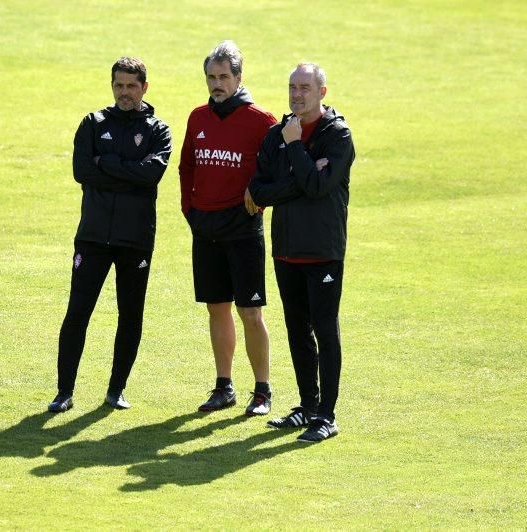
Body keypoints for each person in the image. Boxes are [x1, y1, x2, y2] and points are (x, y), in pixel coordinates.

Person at [48, 57, 172, 413]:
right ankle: (64, 392)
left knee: (130, 314)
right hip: (93, 235)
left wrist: (106, 164)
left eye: (132, 86)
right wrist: (126, 171)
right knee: (78, 311)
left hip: (135, 239)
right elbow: (81, 170)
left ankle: (115, 391)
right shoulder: (92, 123)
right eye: (119, 85)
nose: (124, 92)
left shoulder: (158, 130)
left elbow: (150, 175)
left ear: (144, 87)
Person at [246, 62, 355, 442]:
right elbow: (259, 191)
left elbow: (318, 188)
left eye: (305, 87)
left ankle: (327, 414)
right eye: (292, 87)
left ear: (322, 92)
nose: (296, 94)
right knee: (297, 330)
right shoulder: (278, 134)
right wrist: (300, 174)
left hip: (323, 251)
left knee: (325, 330)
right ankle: (308, 405)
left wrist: (296, 151)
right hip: (287, 251)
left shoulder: (337, 136)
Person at [179, 41, 277, 416]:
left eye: (223, 77)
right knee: (216, 309)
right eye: (211, 77)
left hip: (242, 230)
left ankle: (263, 390)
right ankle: (224, 387)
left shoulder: (261, 120)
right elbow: (188, 165)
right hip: (205, 230)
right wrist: (189, 209)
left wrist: (260, 196)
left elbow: (275, 172)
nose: (216, 84)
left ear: (238, 78)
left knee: (250, 312)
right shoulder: (198, 117)